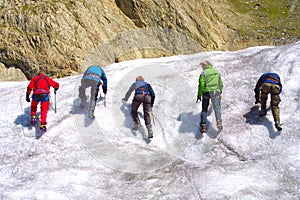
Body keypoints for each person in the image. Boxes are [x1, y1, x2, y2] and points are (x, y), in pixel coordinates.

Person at [196, 60, 223, 133]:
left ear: (206, 65)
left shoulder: (203, 73)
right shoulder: (216, 72)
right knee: (217, 107)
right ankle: (219, 123)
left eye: (202, 65)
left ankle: (203, 126)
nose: (202, 67)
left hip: (206, 92)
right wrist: (220, 91)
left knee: (204, 109)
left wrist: (199, 95)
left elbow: (201, 85)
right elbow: (220, 83)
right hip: (215, 92)